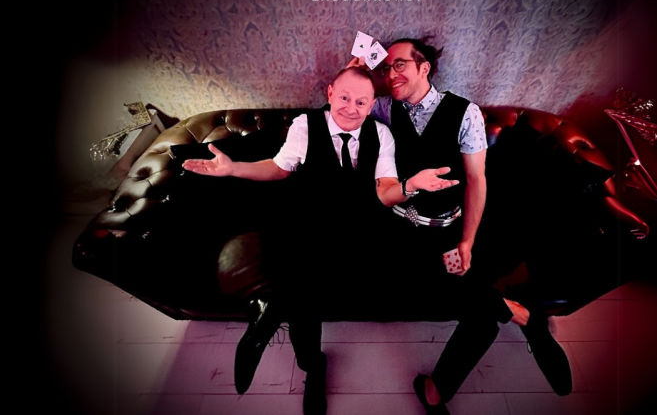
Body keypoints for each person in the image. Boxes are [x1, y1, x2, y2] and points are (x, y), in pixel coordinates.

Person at [181, 66, 479, 415]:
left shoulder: (381, 134)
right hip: (309, 222)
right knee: (304, 284)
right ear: (330, 94)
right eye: (344, 98)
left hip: (357, 227)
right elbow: (279, 167)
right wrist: (234, 168)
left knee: (326, 272)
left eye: (361, 102)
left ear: (372, 106)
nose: (351, 108)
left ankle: (272, 312)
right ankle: (310, 364)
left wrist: (410, 185)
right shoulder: (306, 126)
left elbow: (385, 191)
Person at [347, 35, 575, 411]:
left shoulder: (464, 112)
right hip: (397, 227)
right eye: (385, 68)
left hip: (447, 227)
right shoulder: (385, 109)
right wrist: (355, 72)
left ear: (424, 67)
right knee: (443, 287)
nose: (390, 74)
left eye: (399, 64)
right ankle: (522, 316)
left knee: (481, 320)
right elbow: (339, 115)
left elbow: (476, 181)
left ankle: (436, 390)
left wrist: (466, 240)